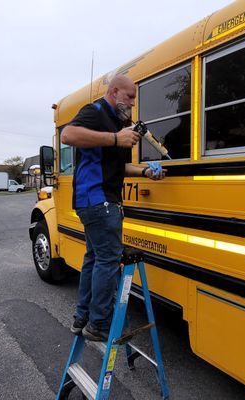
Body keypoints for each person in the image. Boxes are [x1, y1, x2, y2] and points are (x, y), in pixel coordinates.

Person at [61, 74, 166, 341]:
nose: (132, 103)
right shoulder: (96, 112)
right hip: (99, 201)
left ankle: (82, 317)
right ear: (114, 91)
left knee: (94, 259)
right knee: (108, 261)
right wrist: (115, 139)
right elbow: (68, 134)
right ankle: (99, 325)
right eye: (129, 97)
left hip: (99, 201)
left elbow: (118, 168)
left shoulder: (119, 124)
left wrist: (145, 173)